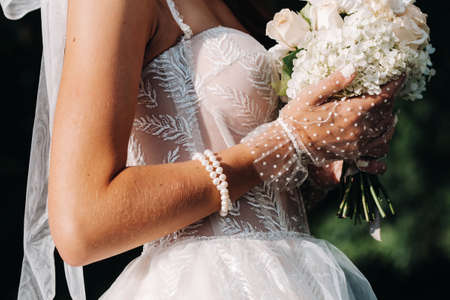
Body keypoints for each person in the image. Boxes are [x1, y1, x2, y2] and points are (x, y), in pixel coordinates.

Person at [1, 0, 402, 298]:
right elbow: (81, 224)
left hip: (297, 274)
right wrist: (281, 144)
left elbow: (250, 176)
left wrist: (312, 162)